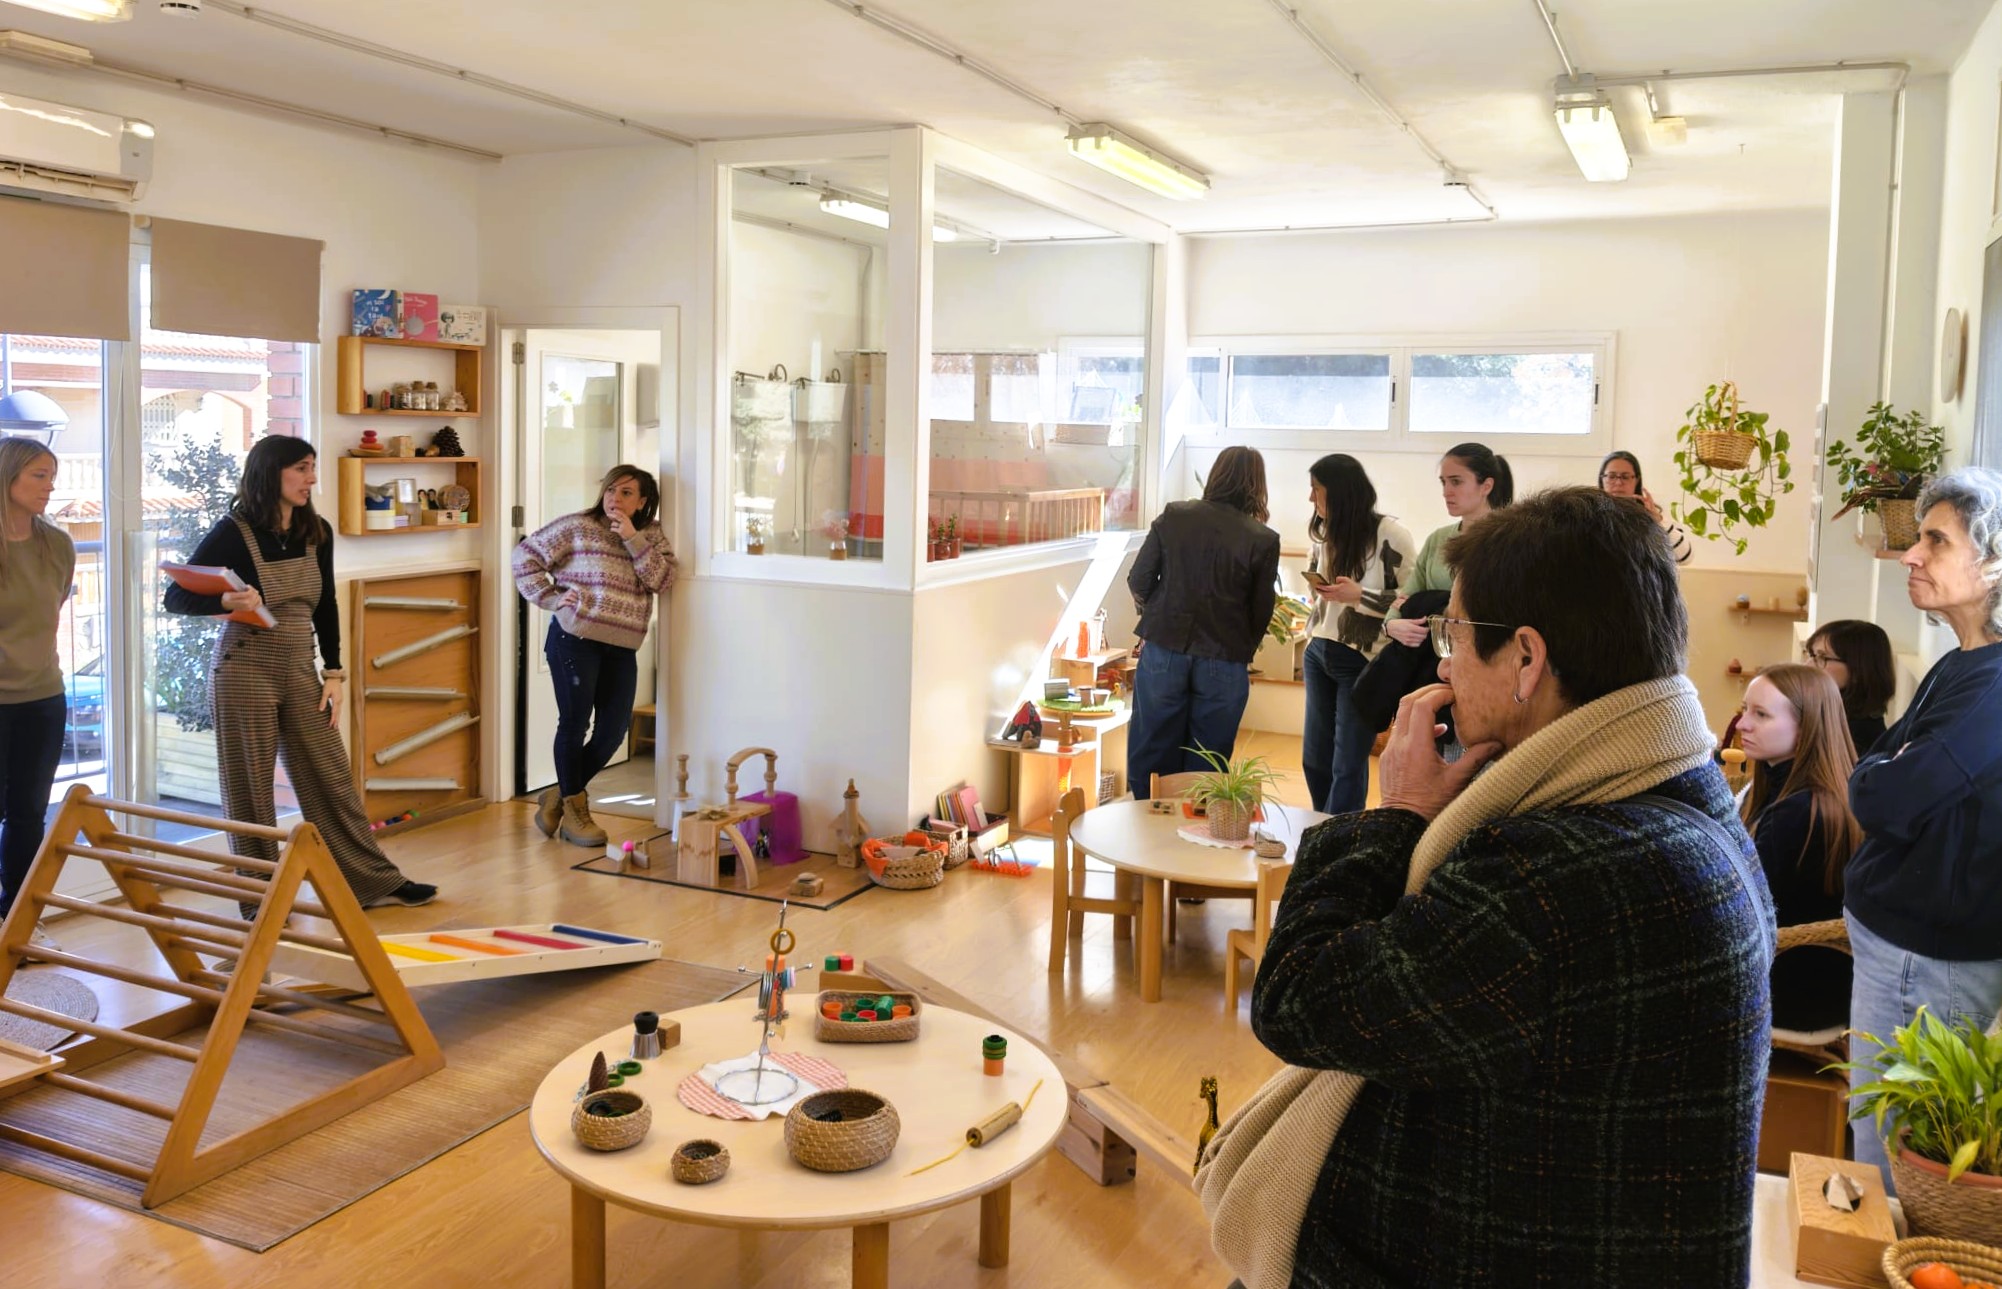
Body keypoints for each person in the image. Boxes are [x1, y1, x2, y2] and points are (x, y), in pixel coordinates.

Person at [1203, 487, 1772, 1288]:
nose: (1441, 662)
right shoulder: (1683, 801)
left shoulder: (1561, 878)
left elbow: (1300, 997)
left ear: (1527, 661)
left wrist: (1395, 810)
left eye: (1457, 635)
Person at [165, 436, 434, 910]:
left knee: (330, 773)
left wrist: (335, 673)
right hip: (244, 667)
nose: (312, 479)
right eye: (303, 469)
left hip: (298, 665)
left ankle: (371, 882)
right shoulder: (234, 530)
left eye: (313, 468)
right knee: (249, 787)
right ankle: (262, 901)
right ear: (272, 473)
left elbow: (326, 604)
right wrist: (227, 600)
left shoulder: (316, 531)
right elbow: (177, 597)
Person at [1843, 467, 2002, 1185]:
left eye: (1935, 540)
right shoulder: (1961, 662)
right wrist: (1885, 770)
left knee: (1890, 1162)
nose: (1910, 553)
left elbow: (1881, 799)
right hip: (1904, 947)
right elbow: (1874, 763)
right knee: (1875, 1138)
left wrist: (1884, 772)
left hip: (1926, 959)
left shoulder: (1996, 687)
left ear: (1995, 563)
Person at [512, 464, 676, 846]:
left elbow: (662, 581)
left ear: (643, 501)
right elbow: (524, 558)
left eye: (626, 493)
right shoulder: (577, 526)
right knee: (574, 724)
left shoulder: (650, 536)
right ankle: (576, 814)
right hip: (574, 639)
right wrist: (551, 597)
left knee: (613, 731)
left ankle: (558, 795)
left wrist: (634, 539)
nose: (615, 499)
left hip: (622, 646)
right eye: (611, 490)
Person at [1125, 446, 1279, 797]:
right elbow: (1261, 611)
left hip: (1165, 646)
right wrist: (1242, 646)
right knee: (1208, 759)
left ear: (1216, 475)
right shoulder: (1263, 539)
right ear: (1257, 485)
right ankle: (1194, 838)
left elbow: (1139, 580)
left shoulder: (1175, 516)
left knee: (1151, 745)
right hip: (1225, 657)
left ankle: (1144, 831)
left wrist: (1159, 616)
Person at [1736, 664, 1859, 1034]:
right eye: (1744, 709)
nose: (1742, 724)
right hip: (1823, 984)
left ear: (1806, 728)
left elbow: (1741, 915)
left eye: (1760, 714)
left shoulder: (1798, 813)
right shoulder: (1811, 794)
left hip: (1793, 992)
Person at [1301, 454, 1414, 815]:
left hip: (1361, 659)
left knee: (1347, 763)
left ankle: (1337, 837)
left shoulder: (1391, 535)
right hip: (1318, 648)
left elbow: (1411, 602)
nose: (1310, 499)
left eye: (1316, 490)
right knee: (1314, 759)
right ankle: (1322, 827)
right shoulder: (1325, 533)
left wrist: (1358, 597)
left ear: (1339, 493)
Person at [0, 437, 75, 933]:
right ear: (7, 478)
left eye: (52, 475)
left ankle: (18, 921)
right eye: (39, 476)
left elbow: (53, 611)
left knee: (28, 815)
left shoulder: (59, 545)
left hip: (44, 698)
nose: (51, 486)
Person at [1802, 618, 1895, 756]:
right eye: (1811, 655)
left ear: (1858, 670)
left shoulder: (1857, 741)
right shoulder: (1829, 716)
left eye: (1822, 657)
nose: (1808, 665)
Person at [1599, 449, 1694, 564]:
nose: (1618, 483)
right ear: (1602, 478)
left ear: (1637, 480)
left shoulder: (1653, 514)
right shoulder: (1589, 514)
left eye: (1625, 477)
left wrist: (1658, 521)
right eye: (1612, 476)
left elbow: (1685, 558)